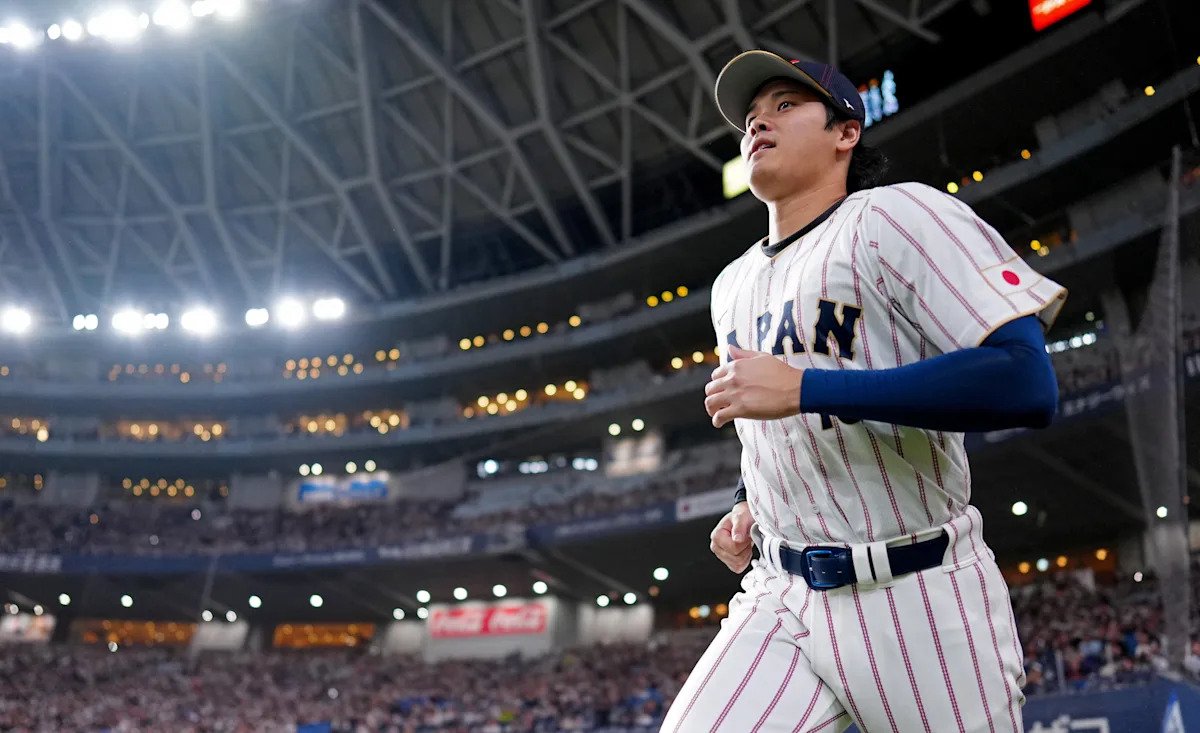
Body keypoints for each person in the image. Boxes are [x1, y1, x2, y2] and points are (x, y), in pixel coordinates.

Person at [661, 51, 1067, 732]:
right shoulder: (730, 286)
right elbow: (775, 417)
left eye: (786, 106)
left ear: (846, 131)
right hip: (780, 592)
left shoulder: (897, 216)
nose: (759, 123)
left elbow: (1025, 381)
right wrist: (746, 501)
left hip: (917, 592)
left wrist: (809, 387)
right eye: (752, 117)